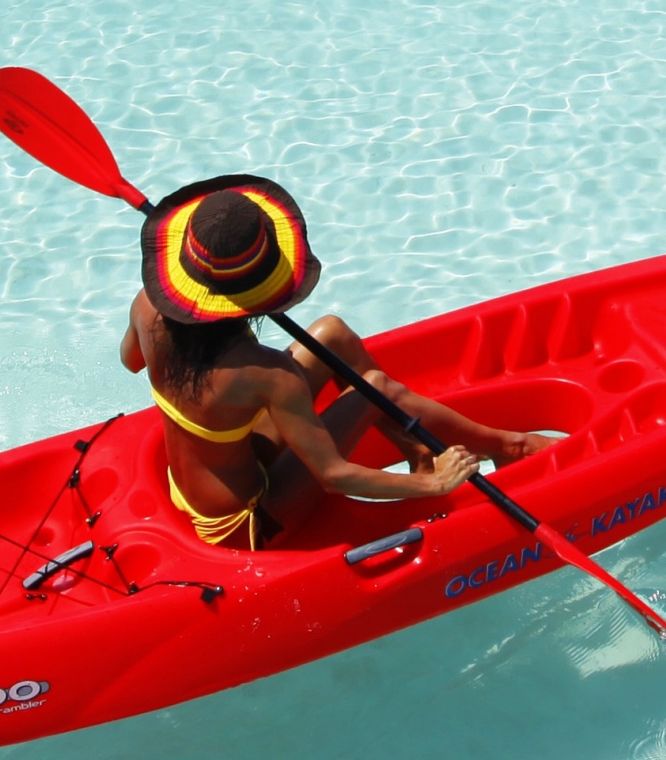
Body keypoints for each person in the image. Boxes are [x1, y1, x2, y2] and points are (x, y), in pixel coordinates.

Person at [121, 173, 551, 551]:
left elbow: (132, 362)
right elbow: (333, 476)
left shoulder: (146, 307)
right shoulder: (268, 374)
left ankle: (417, 451)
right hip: (247, 521)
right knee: (374, 388)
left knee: (331, 333)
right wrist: (433, 484)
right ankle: (508, 446)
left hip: (211, 474)